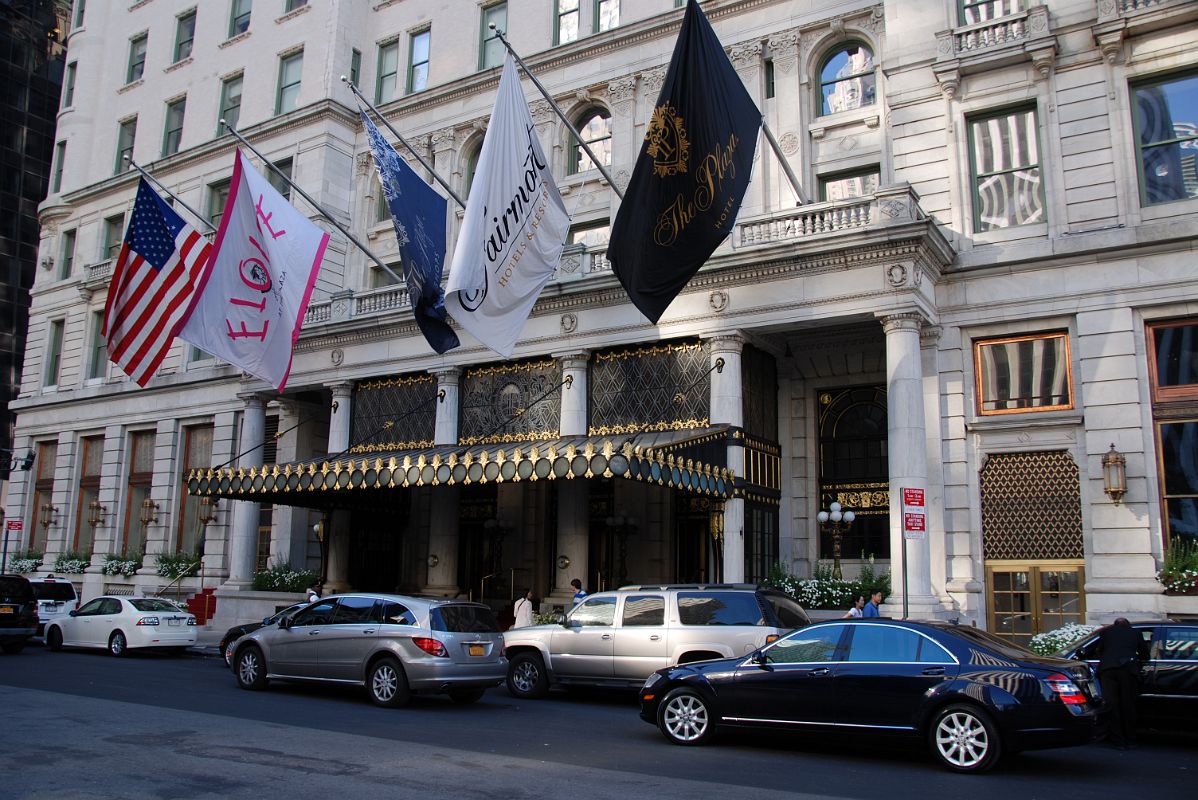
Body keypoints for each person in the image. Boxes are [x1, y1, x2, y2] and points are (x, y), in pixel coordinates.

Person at [1097, 617, 1148, 750]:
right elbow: (1144, 654)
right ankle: (1131, 739)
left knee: (1112, 705)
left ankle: (1118, 740)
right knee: (1128, 705)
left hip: (1108, 670)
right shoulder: (1135, 633)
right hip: (1128, 670)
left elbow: (1100, 651)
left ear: (1114, 625)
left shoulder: (1105, 632)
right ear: (1128, 625)